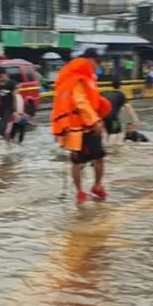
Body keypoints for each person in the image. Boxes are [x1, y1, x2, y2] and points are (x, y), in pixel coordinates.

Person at [50, 48, 112, 202]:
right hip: (81, 127)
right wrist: (94, 121)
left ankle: (92, 187)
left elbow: (91, 101)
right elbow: (81, 102)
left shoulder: (86, 77)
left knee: (89, 158)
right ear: (88, 59)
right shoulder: (78, 78)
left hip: (78, 127)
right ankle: (85, 190)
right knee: (86, 159)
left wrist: (98, 117)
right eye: (96, 61)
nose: (98, 64)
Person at [102, 78, 140, 145]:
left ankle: (105, 148)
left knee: (106, 134)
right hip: (113, 119)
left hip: (102, 118)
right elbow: (128, 107)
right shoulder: (120, 95)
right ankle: (114, 151)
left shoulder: (104, 93)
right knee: (118, 135)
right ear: (120, 86)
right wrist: (135, 118)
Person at [0, 68, 18, 143]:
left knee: (4, 127)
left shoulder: (12, 84)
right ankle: (9, 143)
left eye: (2, 77)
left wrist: (15, 110)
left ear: (5, 75)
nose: (1, 79)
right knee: (1, 131)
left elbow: (15, 98)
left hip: (9, 108)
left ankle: (10, 142)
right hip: (1, 109)